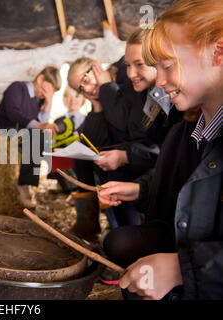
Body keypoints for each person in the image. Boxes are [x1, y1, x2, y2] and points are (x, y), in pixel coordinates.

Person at [98, 0, 223, 299]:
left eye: (167, 67)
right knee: (119, 244)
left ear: (218, 51)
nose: (161, 82)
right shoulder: (185, 132)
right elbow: (190, 187)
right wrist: (141, 190)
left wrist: (182, 269)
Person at [65, 27, 179, 237]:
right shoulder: (111, 92)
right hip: (132, 156)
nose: (87, 89)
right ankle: (90, 219)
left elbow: (124, 124)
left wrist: (106, 87)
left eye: (86, 80)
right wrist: (97, 106)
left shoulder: (125, 84)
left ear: (96, 68)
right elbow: (94, 139)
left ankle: (128, 228)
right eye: (80, 89)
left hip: (142, 161)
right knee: (81, 152)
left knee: (114, 174)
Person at [0, 66, 61, 208]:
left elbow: (39, 123)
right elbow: (13, 114)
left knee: (40, 138)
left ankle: (26, 183)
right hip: (3, 130)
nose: (45, 94)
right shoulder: (17, 88)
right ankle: (23, 186)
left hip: (22, 133)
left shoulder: (38, 100)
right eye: (46, 90)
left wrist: (48, 103)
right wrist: (40, 126)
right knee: (36, 135)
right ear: (40, 78)